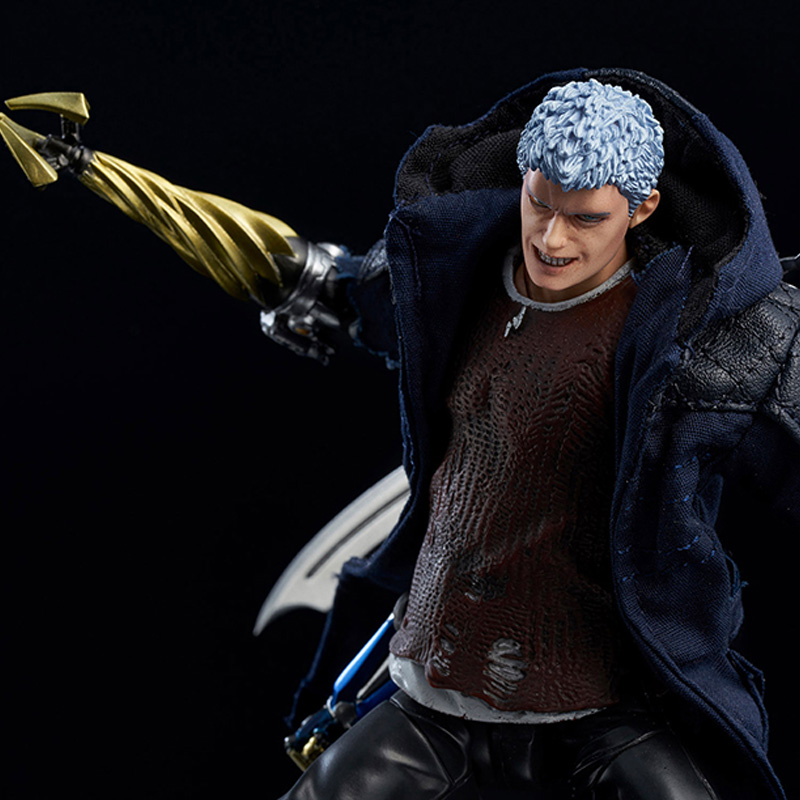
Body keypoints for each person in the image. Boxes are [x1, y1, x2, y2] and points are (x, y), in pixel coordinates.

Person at [3, 68, 797, 798]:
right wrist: (101, 172)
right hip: (437, 688)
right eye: (541, 204)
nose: (553, 240)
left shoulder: (698, 339)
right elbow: (328, 283)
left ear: (642, 208)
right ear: (522, 178)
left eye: (586, 218)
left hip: (606, 701)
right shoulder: (453, 277)